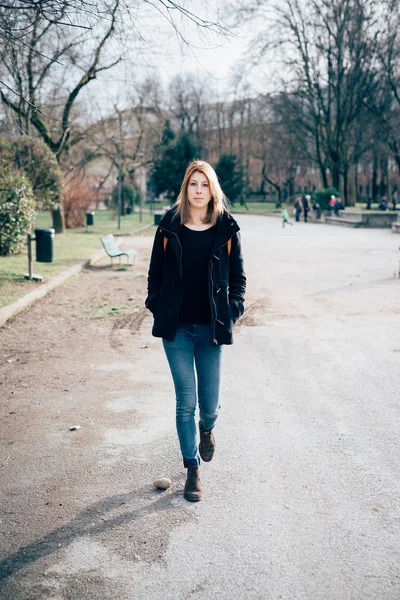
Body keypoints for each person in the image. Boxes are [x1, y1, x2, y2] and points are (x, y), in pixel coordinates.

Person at [145, 160, 246, 502]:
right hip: (176, 330)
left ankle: (208, 430)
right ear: (185, 189)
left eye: (204, 184)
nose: (198, 190)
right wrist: (156, 304)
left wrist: (232, 310)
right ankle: (192, 469)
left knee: (210, 405)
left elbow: (238, 281)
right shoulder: (169, 226)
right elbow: (154, 275)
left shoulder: (226, 230)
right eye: (193, 184)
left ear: (212, 189)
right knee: (185, 401)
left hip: (211, 331)